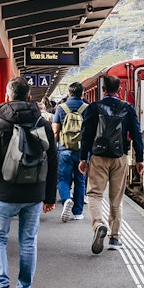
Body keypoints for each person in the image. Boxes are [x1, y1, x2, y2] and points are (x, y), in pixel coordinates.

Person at [0, 76, 57, 288]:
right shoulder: (42, 124)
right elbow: (53, 161)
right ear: (29, 97)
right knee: (28, 242)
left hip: (4, 192)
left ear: (6, 97)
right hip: (33, 194)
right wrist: (49, 196)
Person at [78, 75, 144, 253]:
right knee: (116, 199)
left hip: (98, 156)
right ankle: (115, 238)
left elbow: (86, 135)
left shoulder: (94, 108)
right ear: (120, 90)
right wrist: (139, 159)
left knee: (94, 194)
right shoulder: (127, 108)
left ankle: (98, 225)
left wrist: (83, 158)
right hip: (119, 157)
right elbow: (137, 135)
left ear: (103, 89)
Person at [52, 82, 88, 222]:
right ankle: (78, 212)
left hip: (64, 149)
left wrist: (54, 148)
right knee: (80, 181)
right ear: (83, 94)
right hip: (82, 152)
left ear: (69, 93)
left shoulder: (61, 108)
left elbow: (55, 131)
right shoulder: (87, 108)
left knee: (63, 179)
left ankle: (66, 199)